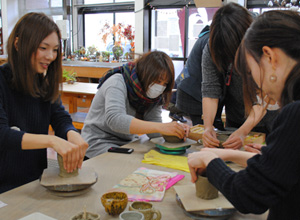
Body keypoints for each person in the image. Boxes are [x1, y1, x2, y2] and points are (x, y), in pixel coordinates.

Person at [188, 10, 300, 219]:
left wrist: (211, 163)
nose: (254, 83)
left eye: (250, 71)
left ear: (269, 56)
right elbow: (283, 170)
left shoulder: (294, 115)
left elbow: (251, 194)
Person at [0, 13, 88, 194]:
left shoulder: (43, 82)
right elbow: (2, 135)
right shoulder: (1, 81)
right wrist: (51, 141)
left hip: (35, 181)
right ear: (18, 45)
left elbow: (60, 118)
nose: (50, 56)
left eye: (55, 49)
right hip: (4, 186)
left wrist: (72, 134)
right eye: (43, 47)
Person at [81, 51, 189, 158]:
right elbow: (115, 120)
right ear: (145, 74)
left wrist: (175, 130)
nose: (160, 87)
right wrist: (161, 127)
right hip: (98, 142)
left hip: (127, 142)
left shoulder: (152, 96)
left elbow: (154, 130)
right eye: (158, 81)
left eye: (165, 83)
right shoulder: (117, 82)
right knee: (132, 167)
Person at [201, 3, 278, 149]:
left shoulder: (263, 42)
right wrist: (208, 127)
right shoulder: (214, 46)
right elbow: (210, 90)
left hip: (274, 119)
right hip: (237, 117)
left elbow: (265, 97)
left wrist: (243, 131)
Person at [175, 25, 224, 129]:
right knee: (202, 128)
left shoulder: (208, 36)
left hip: (193, 88)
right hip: (194, 92)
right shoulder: (211, 40)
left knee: (208, 127)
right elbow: (211, 83)